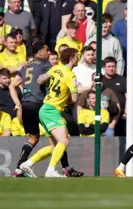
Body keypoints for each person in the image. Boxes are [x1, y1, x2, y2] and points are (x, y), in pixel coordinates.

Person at [10, 42, 83, 177]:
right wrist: (67, 95)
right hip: (48, 108)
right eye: (77, 56)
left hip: (35, 105)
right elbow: (74, 99)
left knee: (48, 143)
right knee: (64, 141)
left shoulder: (54, 69)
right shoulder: (68, 74)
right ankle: (52, 170)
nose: (78, 58)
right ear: (72, 58)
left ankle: (25, 165)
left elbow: (40, 79)